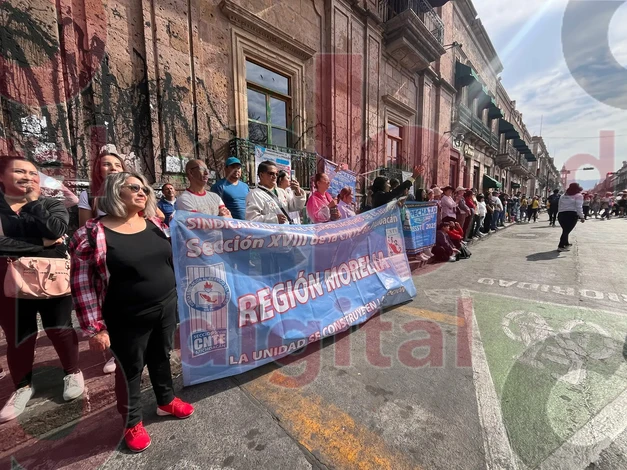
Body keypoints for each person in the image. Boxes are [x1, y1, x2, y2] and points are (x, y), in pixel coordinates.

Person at [69, 171, 194, 453]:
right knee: (130, 370)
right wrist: (96, 327)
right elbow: (82, 285)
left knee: (161, 356)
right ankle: (132, 421)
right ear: (115, 192)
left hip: (166, 305)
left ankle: (165, 401)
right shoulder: (91, 234)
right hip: (125, 315)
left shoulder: (154, 223)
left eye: (146, 189)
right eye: (134, 188)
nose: (143, 193)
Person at [0, 157, 84, 423]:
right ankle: (22, 386)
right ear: (2, 176)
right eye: (19, 171)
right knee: (19, 334)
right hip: (8, 280)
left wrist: (34, 202)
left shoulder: (51, 203)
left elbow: (57, 232)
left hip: (52, 276)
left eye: (32, 173)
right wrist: (41, 243)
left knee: (59, 328)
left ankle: (72, 372)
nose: (27, 176)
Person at [245, 160, 305, 225]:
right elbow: (251, 220)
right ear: (261, 175)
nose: (275, 176)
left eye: (276, 174)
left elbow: (296, 207)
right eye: (271, 173)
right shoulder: (255, 194)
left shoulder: (281, 191)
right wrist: (274, 219)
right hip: (269, 234)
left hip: (285, 232)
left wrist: (297, 192)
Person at [78, 144, 125, 227]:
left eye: (118, 165)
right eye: (107, 164)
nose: (113, 168)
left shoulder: (136, 191)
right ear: (98, 170)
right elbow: (84, 230)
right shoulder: (89, 195)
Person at [557, 182, 584, 252]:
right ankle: (560, 246)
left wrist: (559, 213)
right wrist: (582, 216)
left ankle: (566, 243)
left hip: (561, 214)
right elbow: (579, 207)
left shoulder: (563, 195)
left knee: (565, 230)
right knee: (566, 231)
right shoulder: (578, 196)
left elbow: (559, 205)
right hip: (572, 215)